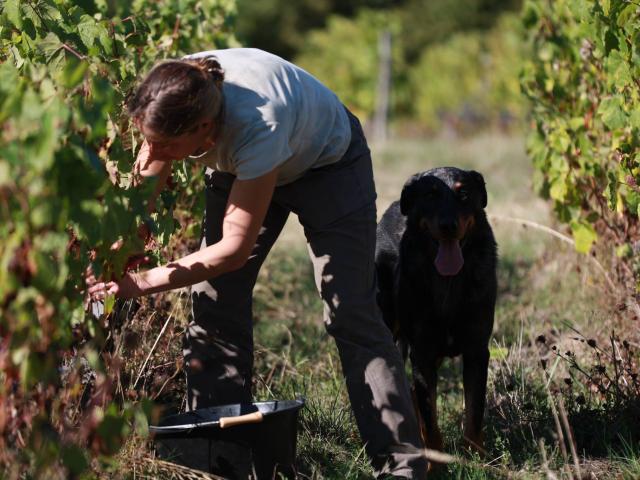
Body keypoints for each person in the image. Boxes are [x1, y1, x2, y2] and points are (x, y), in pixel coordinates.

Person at [88, 48, 427, 478]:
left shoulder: (256, 123)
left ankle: (403, 466)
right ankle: (217, 456)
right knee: (213, 303)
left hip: (329, 163)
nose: (153, 150)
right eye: (148, 138)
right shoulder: (174, 90)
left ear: (204, 129)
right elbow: (145, 182)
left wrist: (139, 282)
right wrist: (119, 249)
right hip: (244, 163)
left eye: (167, 144)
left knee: (352, 314)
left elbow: (233, 250)